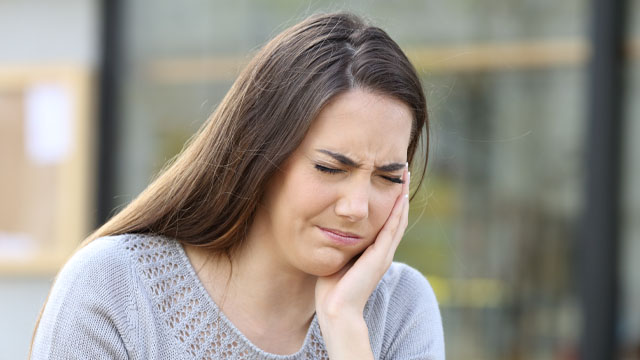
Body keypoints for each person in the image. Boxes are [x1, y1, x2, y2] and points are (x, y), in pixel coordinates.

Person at [30, 12, 445, 359]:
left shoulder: (399, 307)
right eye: (330, 168)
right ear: (261, 152)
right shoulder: (114, 287)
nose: (357, 207)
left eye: (388, 177)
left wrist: (345, 326)